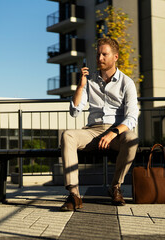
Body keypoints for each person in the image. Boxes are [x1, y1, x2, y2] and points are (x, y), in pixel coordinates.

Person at [60, 37, 139, 211]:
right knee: (67, 135)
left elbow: (132, 117)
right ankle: (74, 195)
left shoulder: (127, 83)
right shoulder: (89, 81)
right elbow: (75, 112)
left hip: (116, 133)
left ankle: (115, 187)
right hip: (92, 132)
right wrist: (80, 87)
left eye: (104, 54)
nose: (100, 58)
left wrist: (113, 133)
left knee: (132, 138)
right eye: (98, 55)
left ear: (115, 57)